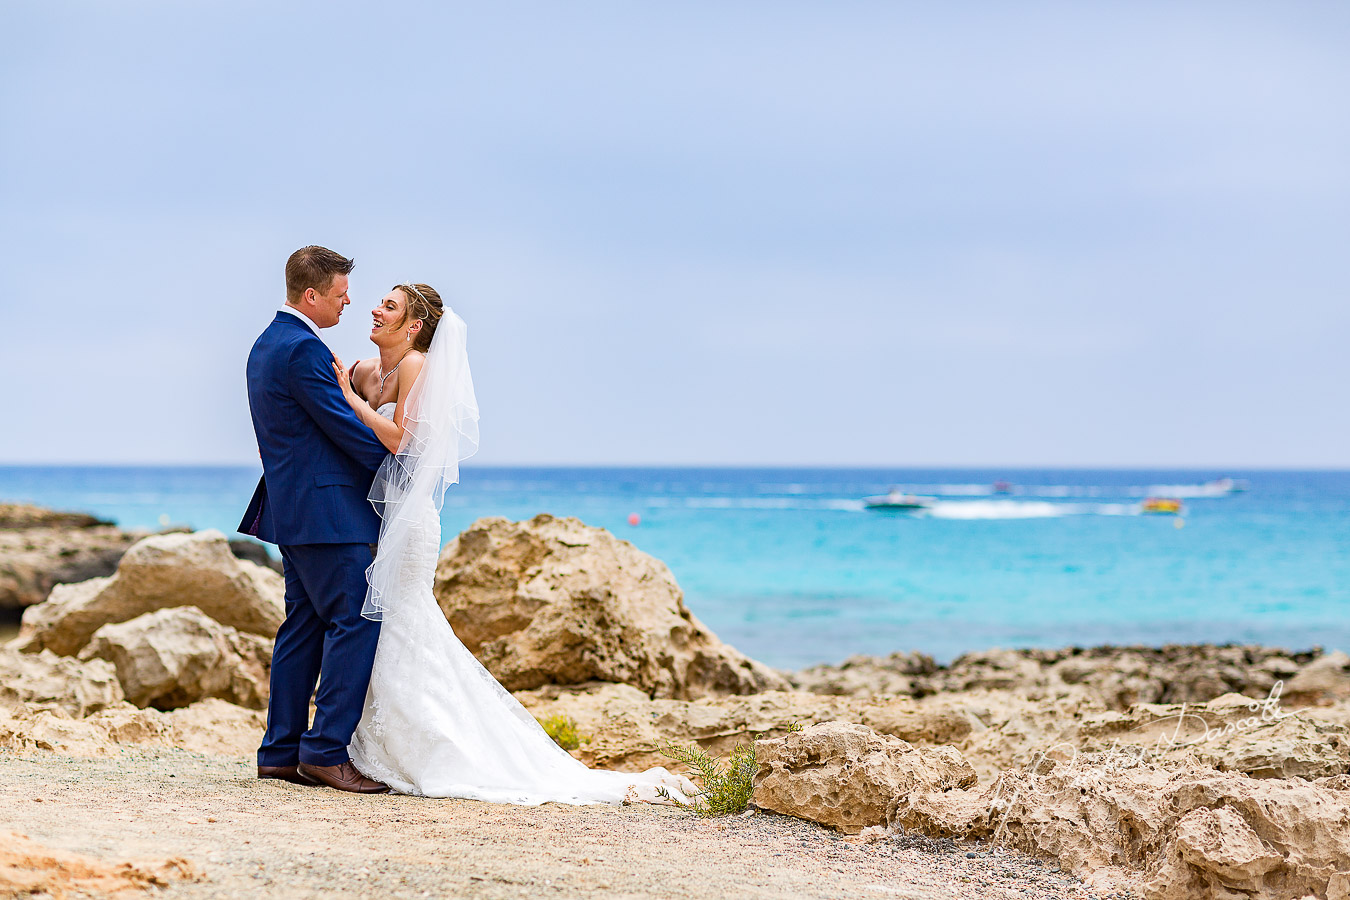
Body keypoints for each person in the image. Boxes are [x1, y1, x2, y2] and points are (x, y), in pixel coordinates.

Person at [332, 282, 693, 804]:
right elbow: (352, 386)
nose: (374, 307)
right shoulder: (378, 367)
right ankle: (377, 743)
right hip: (383, 517)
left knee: (405, 624)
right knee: (389, 628)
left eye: (389, 305)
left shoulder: (415, 365)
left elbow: (401, 440)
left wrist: (349, 401)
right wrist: (347, 383)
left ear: (414, 326)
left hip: (410, 525)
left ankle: (429, 748)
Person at [239, 246, 391, 794]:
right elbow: (338, 427)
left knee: (303, 626)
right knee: (357, 619)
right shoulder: (302, 349)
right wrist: (398, 470)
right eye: (339, 293)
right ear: (311, 295)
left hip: (294, 508)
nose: (348, 300)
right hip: (328, 513)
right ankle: (325, 751)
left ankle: (280, 751)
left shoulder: (266, 345)